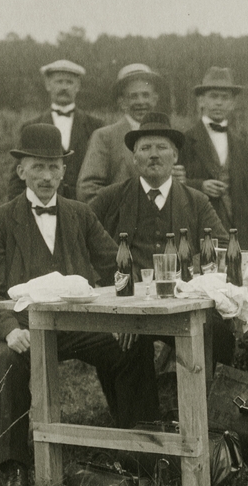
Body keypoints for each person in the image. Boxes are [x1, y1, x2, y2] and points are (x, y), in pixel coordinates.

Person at [0, 124, 159, 486]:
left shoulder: (80, 215)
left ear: (63, 172)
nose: (46, 176)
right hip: (24, 329)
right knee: (9, 361)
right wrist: (8, 330)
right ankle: (15, 471)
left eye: (53, 167)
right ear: (21, 171)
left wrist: (123, 315)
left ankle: (140, 455)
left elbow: (119, 267)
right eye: (37, 167)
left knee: (132, 346)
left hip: (76, 326)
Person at [89, 112, 236, 371]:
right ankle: (143, 400)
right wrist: (113, 295)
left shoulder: (196, 201)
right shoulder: (111, 197)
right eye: (145, 148)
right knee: (126, 345)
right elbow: (81, 236)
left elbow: (222, 246)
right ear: (134, 158)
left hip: (181, 304)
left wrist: (189, 274)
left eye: (162, 147)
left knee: (218, 335)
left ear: (175, 156)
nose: (154, 155)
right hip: (128, 304)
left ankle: (201, 394)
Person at [179, 67, 248, 252]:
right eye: (213, 96)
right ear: (201, 100)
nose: (219, 102)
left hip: (239, 229)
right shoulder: (185, 140)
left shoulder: (241, 142)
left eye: (225, 97)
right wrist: (200, 185)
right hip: (202, 228)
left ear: (232, 103)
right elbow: (174, 184)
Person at [6, 59, 104, 201]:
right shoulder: (31, 127)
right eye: (59, 82)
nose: (64, 87)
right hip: (43, 206)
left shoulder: (95, 126)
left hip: (84, 207)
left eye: (69, 82)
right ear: (48, 85)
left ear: (78, 86)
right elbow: (18, 179)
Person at [76, 63, 165, 203]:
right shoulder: (105, 137)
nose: (141, 102)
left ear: (154, 99)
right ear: (122, 102)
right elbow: (87, 189)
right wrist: (124, 208)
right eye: (133, 96)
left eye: (145, 95)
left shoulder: (167, 136)